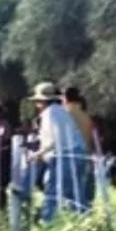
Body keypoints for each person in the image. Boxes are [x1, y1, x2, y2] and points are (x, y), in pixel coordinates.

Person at [28, 82, 88, 222]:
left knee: (54, 191)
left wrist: (37, 154)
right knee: (76, 194)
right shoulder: (60, 111)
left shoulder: (50, 113)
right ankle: (82, 224)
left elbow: (55, 140)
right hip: (78, 153)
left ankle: (48, 224)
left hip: (65, 155)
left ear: (42, 101)